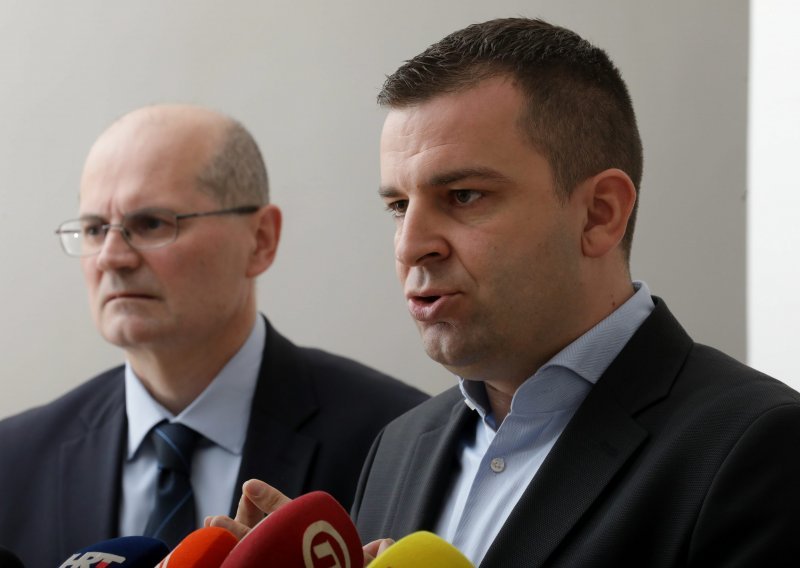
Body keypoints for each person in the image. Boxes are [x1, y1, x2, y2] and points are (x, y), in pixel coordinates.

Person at [210, 18, 800, 567]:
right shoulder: (400, 444)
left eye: (463, 196)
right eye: (398, 205)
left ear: (600, 214)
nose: (411, 245)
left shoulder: (759, 445)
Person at [0, 104, 427, 567]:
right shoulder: (14, 459)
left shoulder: (400, 442)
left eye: (151, 223)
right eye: (94, 229)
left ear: (260, 239)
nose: (111, 257)